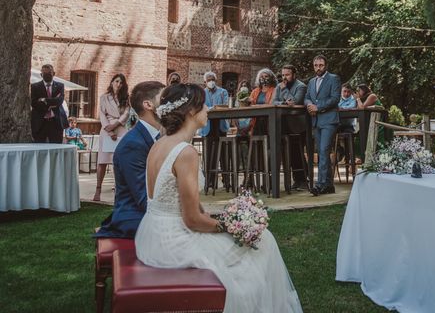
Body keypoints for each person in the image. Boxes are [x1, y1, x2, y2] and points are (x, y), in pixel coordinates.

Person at [135, 83, 303, 313]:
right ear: (191, 111)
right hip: (172, 241)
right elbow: (192, 220)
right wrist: (231, 227)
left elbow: (184, 204)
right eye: (204, 105)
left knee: (253, 244)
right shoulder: (186, 153)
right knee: (264, 243)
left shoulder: (159, 144)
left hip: (151, 233)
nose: (208, 109)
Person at [96, 81, 165, 238]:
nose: (170, 103)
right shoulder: (133, 145)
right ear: (148, 105)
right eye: (164, 98)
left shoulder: (158, 136)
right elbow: (143, 200)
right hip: (135, 219)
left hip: (153, 213)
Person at [304, 55, 341, 196]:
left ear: (326, 65)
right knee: (320, 153)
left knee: (324, 151)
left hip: (329, 120)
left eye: (320, 65)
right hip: (316, 121)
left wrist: (318, 107)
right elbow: (307, 97)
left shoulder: (334, 78)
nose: (318, 68)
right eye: (315, 65)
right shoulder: (311, 81)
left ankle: (319, 185)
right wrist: (309, 106)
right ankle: (329, 186)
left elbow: (335, 98)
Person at [95, 74, 131, 201]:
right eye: (116, 81)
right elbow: (102, 114)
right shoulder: (104, 97)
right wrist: (109, 130)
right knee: (102, 161)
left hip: (120, 128)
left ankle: (118, 189)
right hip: (106, 129)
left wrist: (116, 124)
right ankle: (98, 189)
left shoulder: (126, 98)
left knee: (119, 161)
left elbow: (127, 113)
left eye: (121, 82)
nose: (118, 84)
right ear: (112, 82)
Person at [273, 65, 308, 190]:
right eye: (283, 75)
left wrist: (285, 91)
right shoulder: (279, 86)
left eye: (287, 75)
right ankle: (296, 180)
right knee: (288, 153)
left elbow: (295, 102)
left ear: (294, 75)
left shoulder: (301, 87)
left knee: (297, 153)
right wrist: (284, 102)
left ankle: (303, 179)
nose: (284, 78)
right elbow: (274, 102)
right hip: (283, 125)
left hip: (298, 125)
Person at [199, 71, 230, 189]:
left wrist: (211, 109)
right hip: (207, 127)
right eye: (208, 80)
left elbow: (225, 106)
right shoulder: (202, 93)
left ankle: (227, 182)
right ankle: (209, 182)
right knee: (208, 156)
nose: (211, 82)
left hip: (221, 126)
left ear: (215, 81)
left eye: (213, 79)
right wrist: (213, 108)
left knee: (223, 155)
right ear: (205, 82)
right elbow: (201, 108)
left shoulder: (223, 92)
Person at [31, 64, 66, 143]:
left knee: (56, 149)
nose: (47, 75)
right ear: (41, 75)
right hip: (39, 122)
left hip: (56, 122)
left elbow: (59, 101)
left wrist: (44, 100)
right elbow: (34, 103)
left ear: (53, 73)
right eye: (45, 73)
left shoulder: (60, 86)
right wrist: (50, 105)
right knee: (38, 148)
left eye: (49, 73)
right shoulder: (34, 87)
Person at [248, 68, 277, 135]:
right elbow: (250, 105)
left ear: (271, 78)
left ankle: (264, 143)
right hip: (256, 117)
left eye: (266, 76)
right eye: (261, 77)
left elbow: (271, 104)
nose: (263, 78)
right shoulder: (255, 91)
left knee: (262, 122)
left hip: (268, 117)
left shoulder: (275, 90)